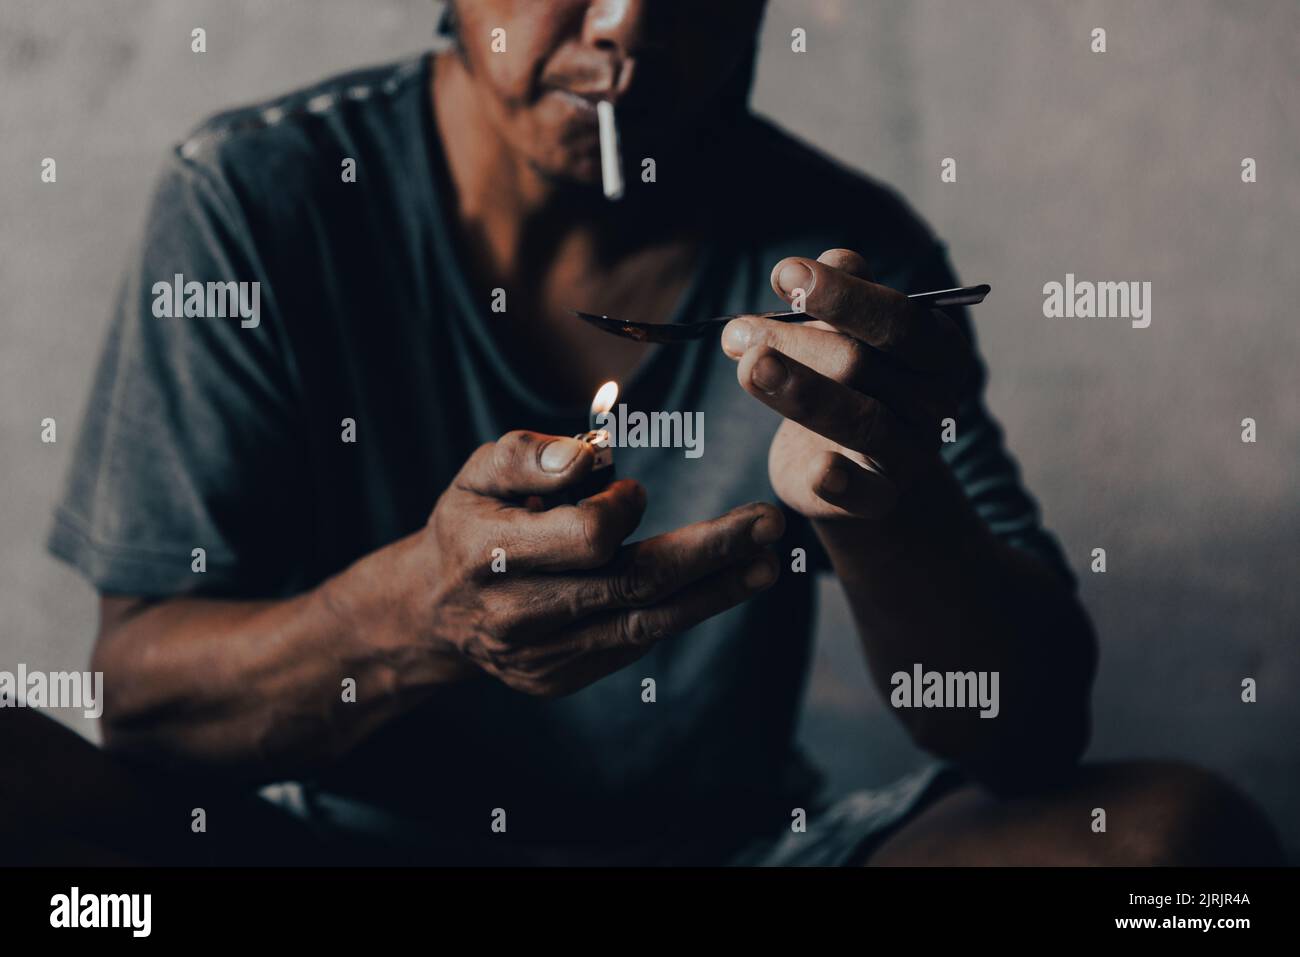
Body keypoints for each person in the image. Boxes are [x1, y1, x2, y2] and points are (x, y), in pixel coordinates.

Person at [31, 0, 1279, 865]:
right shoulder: (259, 198)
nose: (627, 21)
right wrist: (425, 611)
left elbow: (1026, 728)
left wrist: (883, 513)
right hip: (330, 858)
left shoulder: (836, 251)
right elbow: (145, 710)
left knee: (1179, 864)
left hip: (727, 859)